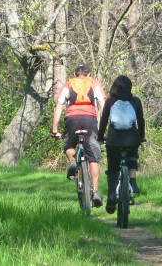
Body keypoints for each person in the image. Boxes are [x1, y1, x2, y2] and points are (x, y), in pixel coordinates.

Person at [51, 64, 106, 207]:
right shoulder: (94, 83)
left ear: (76, 74)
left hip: (72, 120)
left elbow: (58, 107)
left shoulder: (68, 84)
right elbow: (103, 105)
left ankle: (72, 161)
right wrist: (104, 126)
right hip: (89, 120)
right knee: (93, 157)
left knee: (69, 144)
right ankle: (95, 192)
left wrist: (55, 129)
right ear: (88, 74)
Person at [97, 75, 146, 214]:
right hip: (132, 140)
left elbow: (104, 121)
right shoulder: (136, 101)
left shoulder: (110, 101)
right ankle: (132, 182)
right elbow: (141, 121)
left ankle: (112, 194)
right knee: (132, 157)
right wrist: (141, 136)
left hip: (113, 140)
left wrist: (100, 137)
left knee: (113, 168)